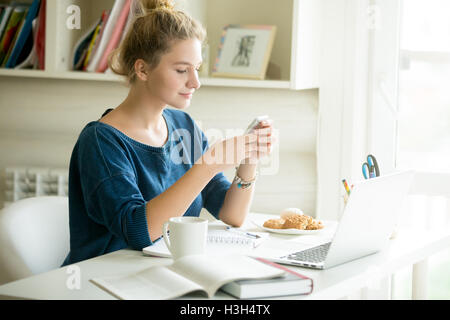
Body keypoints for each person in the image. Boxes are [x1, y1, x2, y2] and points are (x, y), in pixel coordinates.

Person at [62, 0, 275, 266]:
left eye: (196, 69)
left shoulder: (183, 124)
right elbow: (138, 232)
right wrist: (208, 166)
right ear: (142, 69)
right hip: (102, 280)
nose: (195, 82)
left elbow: (231, 215)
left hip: (159, 273)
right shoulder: (100, 141)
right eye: (181, 70)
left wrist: (249, 159)